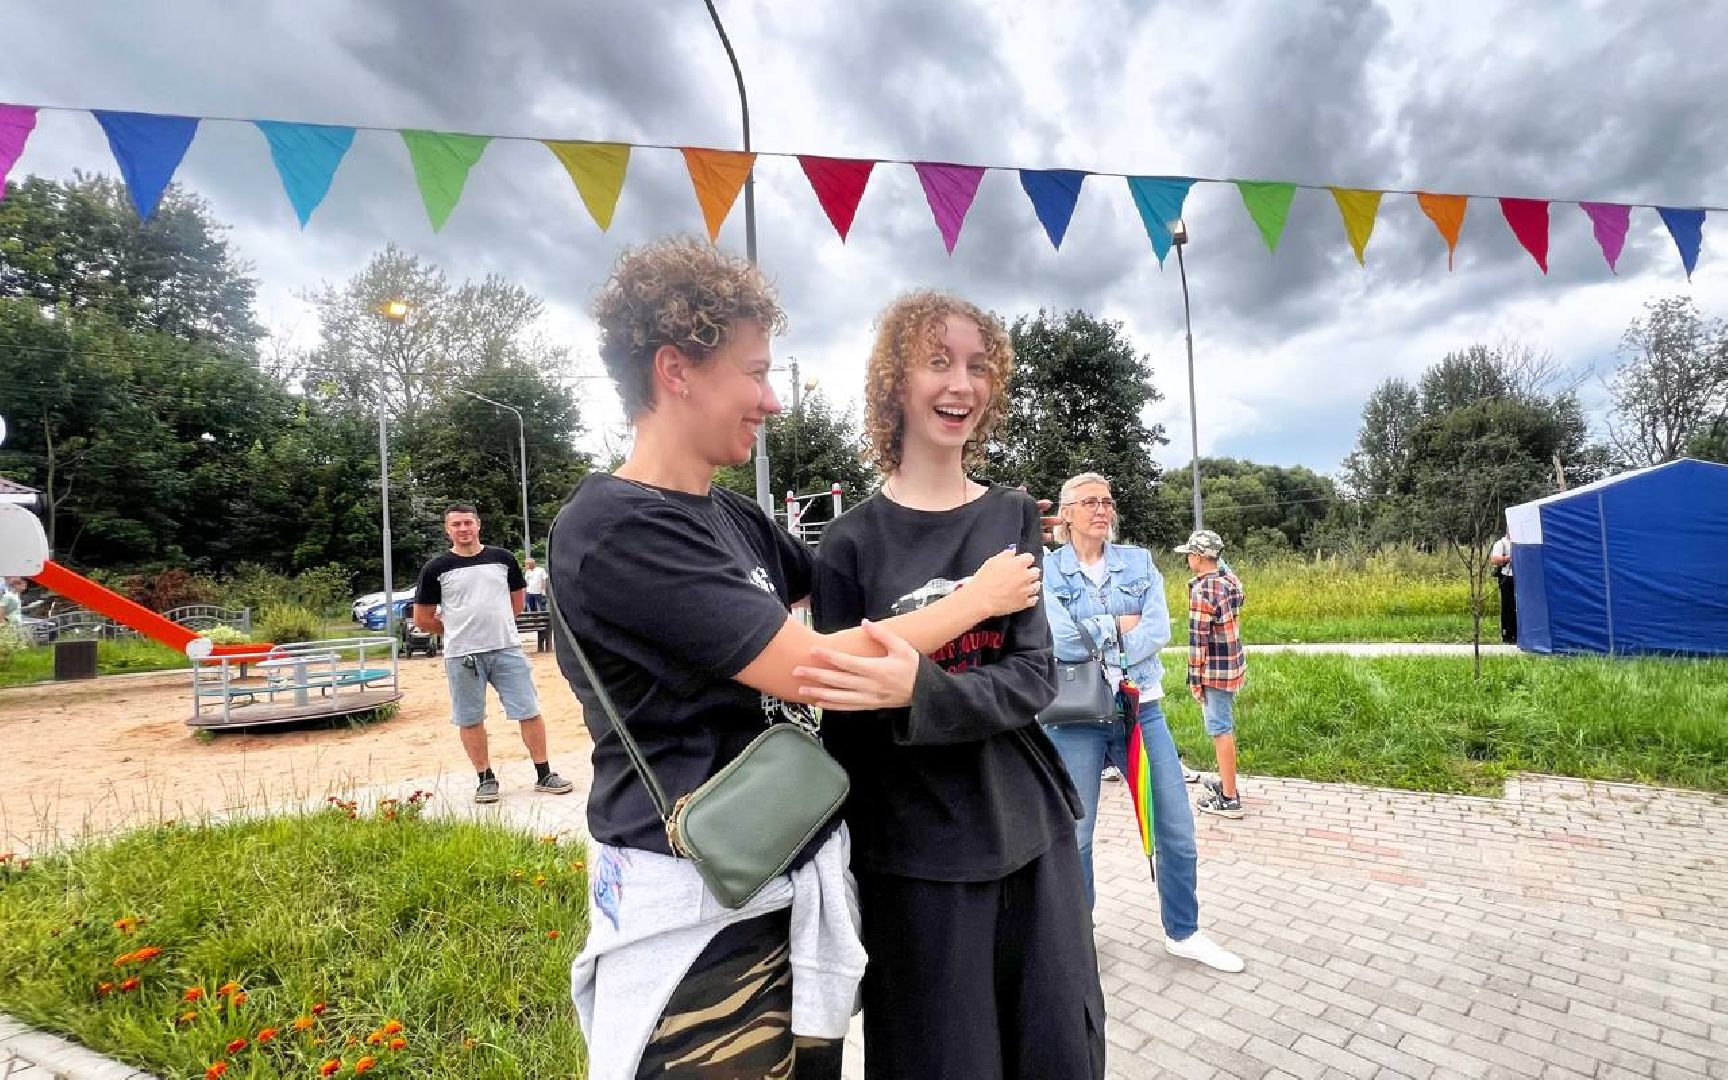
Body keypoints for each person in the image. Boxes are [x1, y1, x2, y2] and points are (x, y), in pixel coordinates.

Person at [549, 239, 1044, 1080]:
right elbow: (813, 666)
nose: (772, 399)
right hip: (694, 917)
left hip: (773, 888)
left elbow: (869, 568)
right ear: (677, 370)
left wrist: (962, 503)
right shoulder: (617, 530)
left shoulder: (732, 520)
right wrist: (980, 597)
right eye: (754, 372)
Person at [808, 291, 1106, 1079]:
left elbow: (1032, 676)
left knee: (1056, 1052)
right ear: (894, 384)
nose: (961, 385)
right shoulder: (848, 543)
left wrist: (915, 688)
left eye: (978, 367)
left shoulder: (1010, 515)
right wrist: (922, 681)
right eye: (937, 362)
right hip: (914, 859)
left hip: (1026, 832)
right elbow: (845, 717)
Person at [1040, 473, 1244, 974]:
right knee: (1075, 834)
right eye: (1089, 502)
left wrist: (1101, 634)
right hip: (1075, 718)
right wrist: (1117, 626)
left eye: (1107, 500)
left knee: (1176, 826)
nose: (1101, 509)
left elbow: (1158, 629)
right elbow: (1057, 640)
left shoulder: (1138, 562)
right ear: (1066, 514)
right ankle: (1075, 936)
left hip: (1141, 708)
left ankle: (1184, 932)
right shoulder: (1049, 569)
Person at [413, 504, 574, 805]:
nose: (463, 529)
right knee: (470, 718)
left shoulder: (503, 559)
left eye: (468, 523)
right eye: (456, 524)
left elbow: (516, 602)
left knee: (528, 710)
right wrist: (457, 631)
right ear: (447, 530)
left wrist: (497, 627)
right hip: (462, 655)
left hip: (506, 649)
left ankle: (544, 773)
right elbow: (422, 617)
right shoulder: (436, 568)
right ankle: (485, 778)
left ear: (478, 525)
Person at [1177, 529, 1248, 819]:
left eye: (1189, 555)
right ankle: (1227, 781)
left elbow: (1198, 640)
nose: (1187, 560)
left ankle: (1230, 798)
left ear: (1197, 557)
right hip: (1232, 667)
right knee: (1224, 726)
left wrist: (1195, 680)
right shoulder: (1230, 581)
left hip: (1214, 672)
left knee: (1220, 729)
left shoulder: (1202, 591)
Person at [1490, 533, 1516, 644]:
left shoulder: (1518, 543)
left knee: (1517, 606)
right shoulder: (1501, 544)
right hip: (1506, 577)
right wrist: (1508, 558)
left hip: (1518, 577)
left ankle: (1516, 633)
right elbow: (1494, 560)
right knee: (1507, 606)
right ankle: (1507, 634)